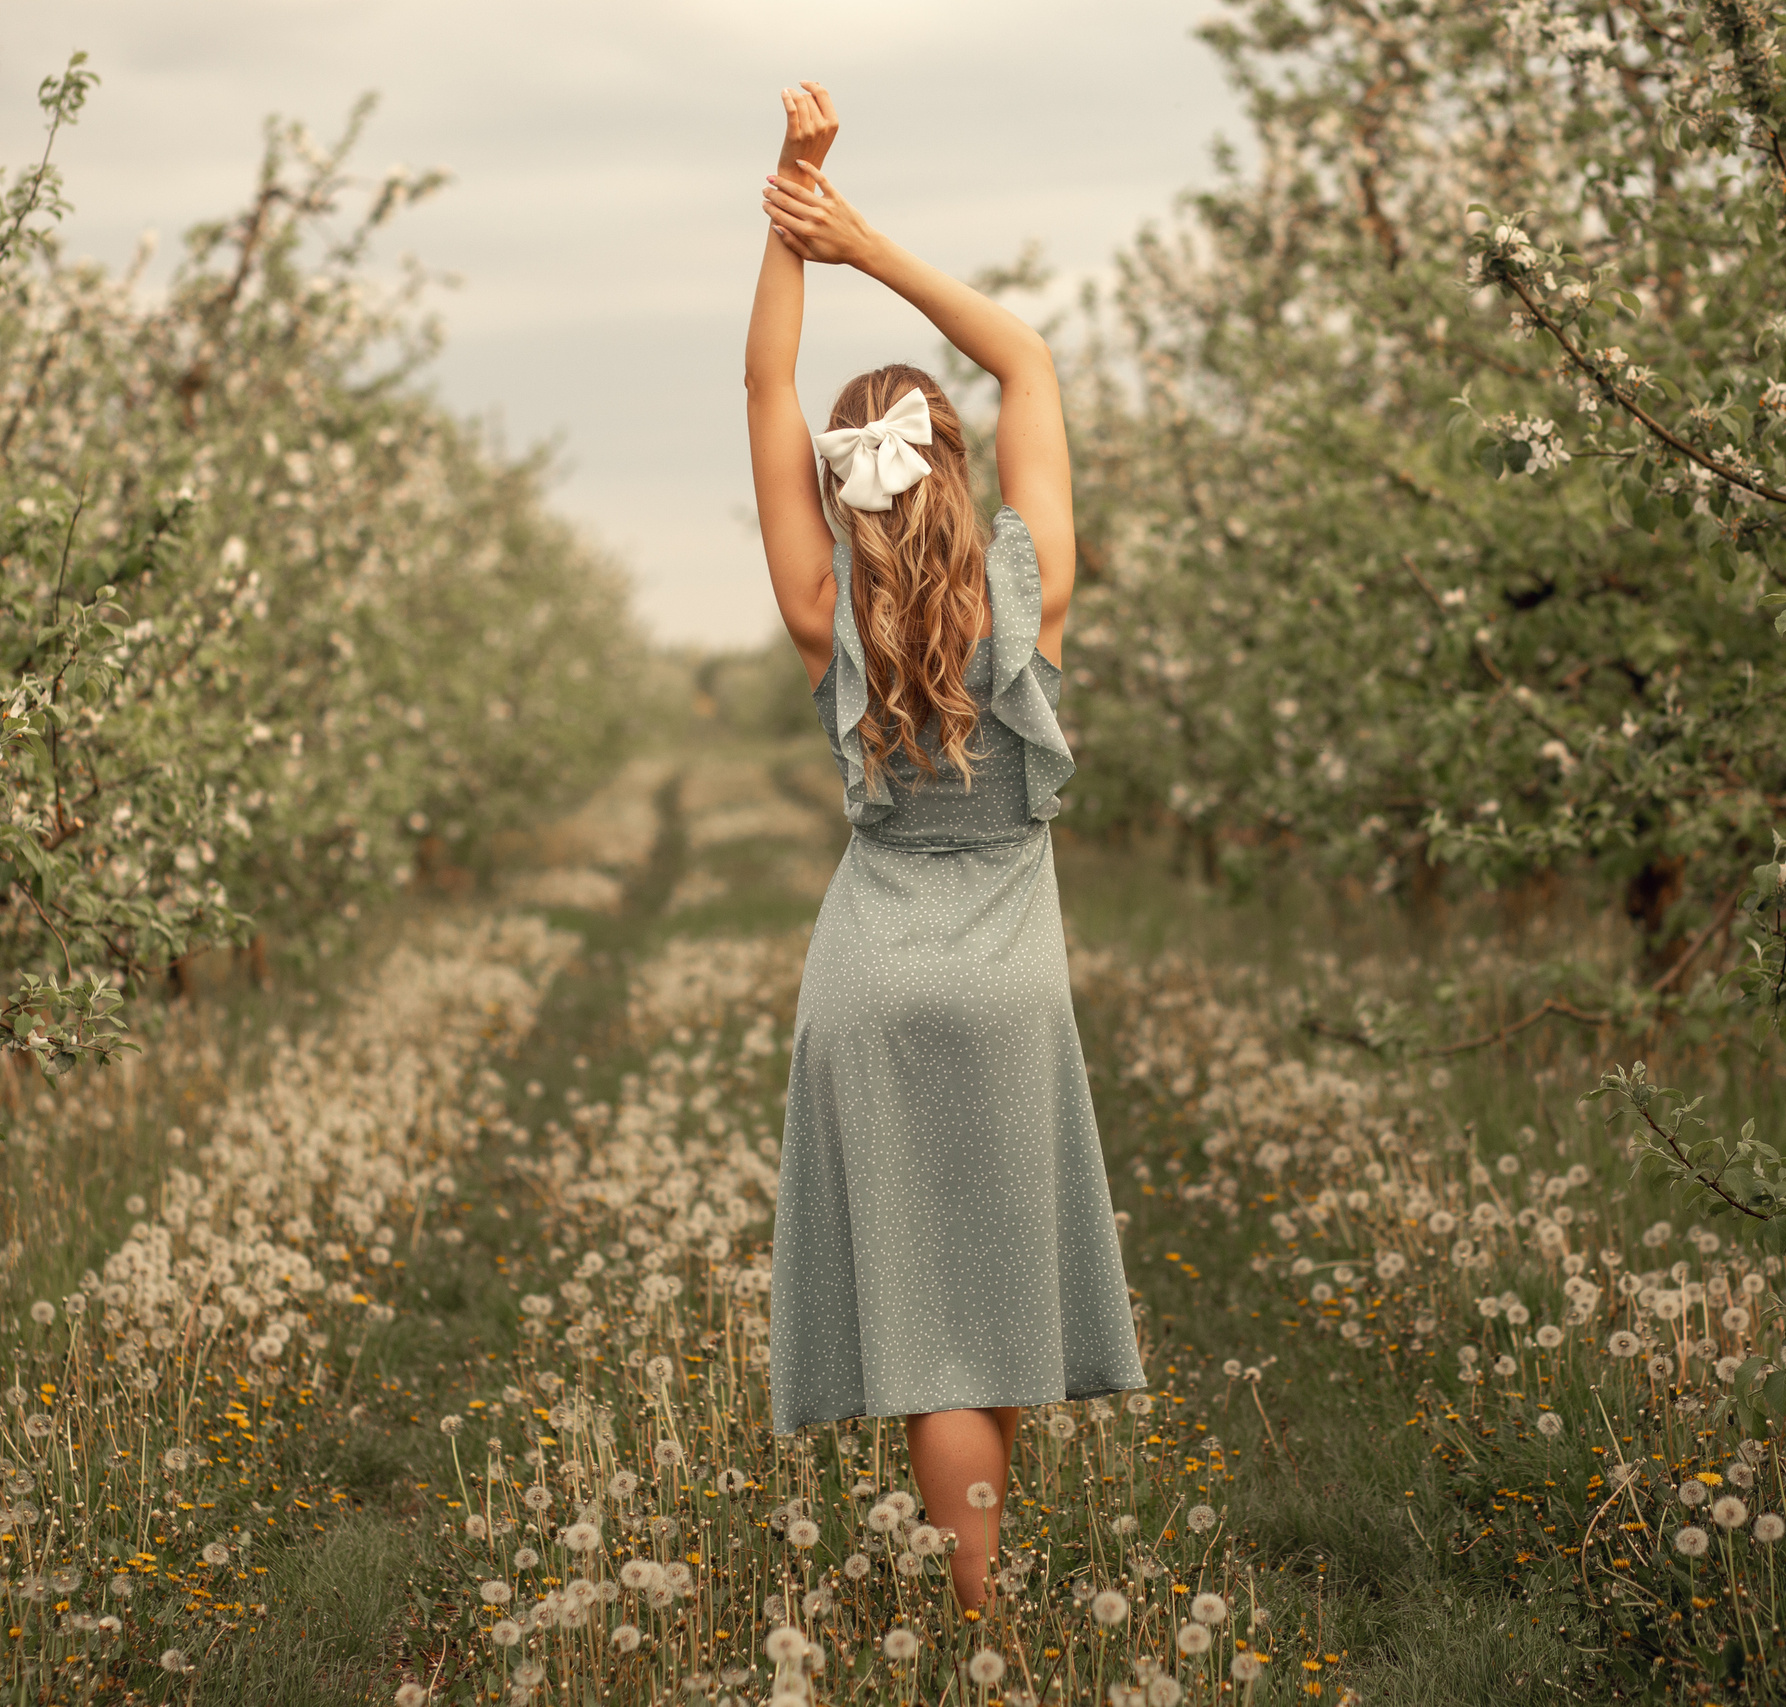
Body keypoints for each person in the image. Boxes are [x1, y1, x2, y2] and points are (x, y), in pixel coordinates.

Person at [744, 81, 1146, 1612]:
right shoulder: (1024, 602)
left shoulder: (823, 617)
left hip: (872, 983)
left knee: (927, 1327)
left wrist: (787, 210)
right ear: (952, 473)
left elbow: (760, 390)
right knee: (997, 1303)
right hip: (1009, 983)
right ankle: (997, 1614)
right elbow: (1027, 356)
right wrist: (862, 238)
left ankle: (974, 1621)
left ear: (845, 496)